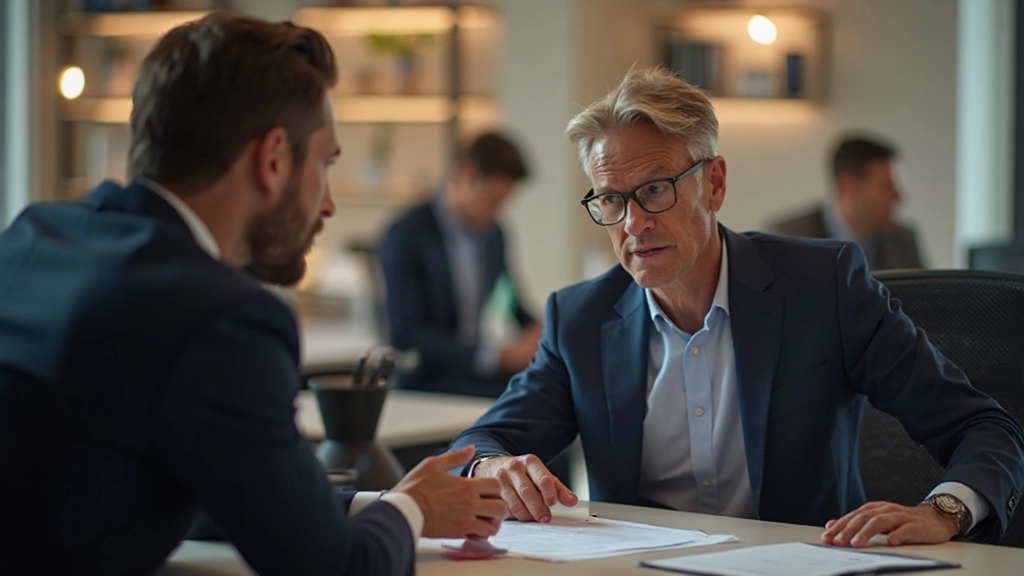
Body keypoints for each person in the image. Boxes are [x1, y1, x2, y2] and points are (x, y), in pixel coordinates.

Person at [0, 12, 507, 576]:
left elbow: (212, 482)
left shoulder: (33, 237)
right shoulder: (221, 319)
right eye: (324, 164)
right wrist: (414, 509)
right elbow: (337, 567)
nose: (328, 204)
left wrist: (384, 503)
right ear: (272, 160)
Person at [450, 67, 1024, 547]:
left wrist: (944, 511)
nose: (634, 223)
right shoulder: (580, 319)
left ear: (715, 184)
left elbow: (983, 426)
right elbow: (476, 447)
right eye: (611, 200)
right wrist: (491, 467)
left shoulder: (823, 288)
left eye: (655, 190)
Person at [378, 132, 540, 398]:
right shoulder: (406, 234)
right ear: (465, 176)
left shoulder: (494, 236)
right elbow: (405, 333)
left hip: (474, 374)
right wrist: (495, 356)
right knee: (521, 404)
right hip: (426, 382)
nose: (497, 213)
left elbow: (511, 299)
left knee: (548, 396)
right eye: (492, 201)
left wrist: (540, 335)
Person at [765, 135, 925, 270]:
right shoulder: (786, 239)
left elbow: (922, 297)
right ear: (848, 187)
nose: (898, 197)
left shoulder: (903, 241)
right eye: (886, 187)